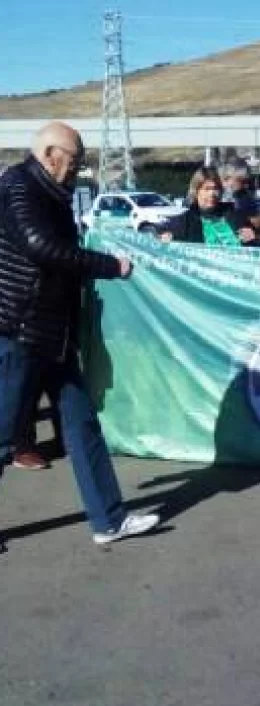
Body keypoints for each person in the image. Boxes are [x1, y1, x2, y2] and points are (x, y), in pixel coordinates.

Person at [0, 121, 160, 545]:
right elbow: (40, 246)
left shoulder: (52, 193)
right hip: (21, 331)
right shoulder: (19, 187)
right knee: (3, 434)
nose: (79, 169)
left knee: (82, 424)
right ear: (52, 154)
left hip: (54, 333)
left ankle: (109, 520)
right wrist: (109, 265)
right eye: (76, 160)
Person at [159, 166, 260, 245]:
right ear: (196, 191)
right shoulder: (186, 221)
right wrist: (165, 237)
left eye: (216, 188)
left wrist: (255, 237)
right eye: (207, 189)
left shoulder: (235, 215)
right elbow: (158, 234)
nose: (212, 193)